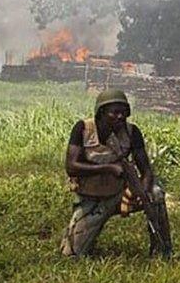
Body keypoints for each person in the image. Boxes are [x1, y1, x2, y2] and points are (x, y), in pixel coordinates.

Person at [60, 89, 167, 257]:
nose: (120, 117)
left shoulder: (132, 132)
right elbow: (71, 166)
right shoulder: (83, 129)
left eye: (124, 112)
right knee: (72, 254)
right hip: (92, 199)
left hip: (121, 196)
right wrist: (108, 168)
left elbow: (146, 170)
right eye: (115, 112)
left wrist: (141, 192)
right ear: (102, 112)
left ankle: (162, 251)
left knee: (156, 193)